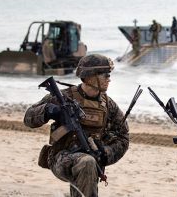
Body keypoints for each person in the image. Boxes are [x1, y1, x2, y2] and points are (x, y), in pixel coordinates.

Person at [24, 54, 129, 197]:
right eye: (105, 75)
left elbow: (123, 137)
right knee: (87, 162)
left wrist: (106, 152)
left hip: (91, 162)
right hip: (61, 158)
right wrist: (48, 110)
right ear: (90, 76)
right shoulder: (64, 98)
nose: (109, 79)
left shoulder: (108, 105)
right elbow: (28, 118)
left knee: (88, 163)